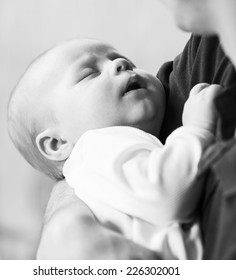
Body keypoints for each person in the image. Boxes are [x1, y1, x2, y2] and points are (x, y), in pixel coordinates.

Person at [35, 0, 236, 260]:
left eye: (127, 61)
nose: (120, 63)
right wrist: (197, 129)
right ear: (56, 144)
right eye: (89, 74)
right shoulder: (101, 147)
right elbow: (166, 194)